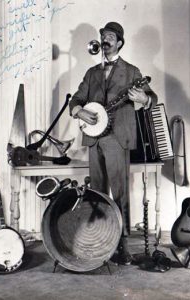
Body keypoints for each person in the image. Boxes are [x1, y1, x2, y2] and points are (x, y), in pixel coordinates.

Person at [69, 22, 157, 265]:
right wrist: (78, 111)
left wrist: (144, 99)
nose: (105, 39)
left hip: (117, 138)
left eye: (109, 36)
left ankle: (123, 245)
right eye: (102, 36)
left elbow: (152, 97)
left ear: (119, 42)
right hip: (94, 138)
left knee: (119, 193)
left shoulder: (131, 71)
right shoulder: (91, 73)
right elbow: (76, 99)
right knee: (96, 192)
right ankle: (99, 241)